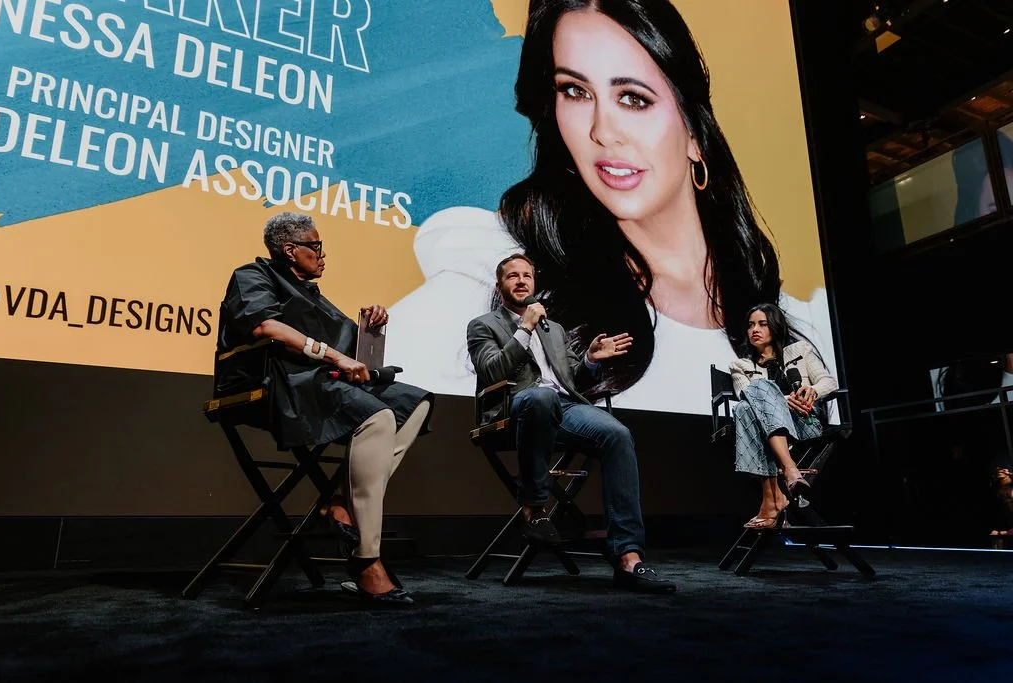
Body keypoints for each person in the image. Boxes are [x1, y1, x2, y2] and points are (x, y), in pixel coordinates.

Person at [387, 0, 835, 415]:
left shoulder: (802, 325)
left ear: (695, 136)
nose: (602, 131)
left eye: (634, 98)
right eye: (575, 91)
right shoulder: (494, 276)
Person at [217, 212, 433, 605]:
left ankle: (336, 500)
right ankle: (367, 560)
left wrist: (371, 327)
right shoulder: (253, 276)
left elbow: (359, 361)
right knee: (377, 416)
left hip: (322, 384)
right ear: (290, 250)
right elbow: (266, 327)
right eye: (315, 246)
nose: (322, 254)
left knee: (413, 402)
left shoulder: (318, 299)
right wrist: (334, 355)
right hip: (275, 381)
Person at [466, 253, 675, 593]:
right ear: (499, 285)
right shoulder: (484, 325)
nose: (521, 281)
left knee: (617, 434)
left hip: (562, 407)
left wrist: (591, 360)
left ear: (534, 283)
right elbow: (492, 371)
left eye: (527, 276)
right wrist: (525, 328)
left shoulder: (556, 330)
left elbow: (571, 380)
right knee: (541, 397)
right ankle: (535, 510)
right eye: (512, 276)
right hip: (513, 410)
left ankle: (628, 557)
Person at [728, 303, 839, 529]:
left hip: (804, 424)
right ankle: (790, 472)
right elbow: (744, 395)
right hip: (764, 429)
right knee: (748, 402)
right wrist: (780, 399)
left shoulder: (800, 350)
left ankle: (772, 499)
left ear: (775, 327)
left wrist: (813, 391)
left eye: (762, 324)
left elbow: (830, 381)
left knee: (750, 402)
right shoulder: (740, 365)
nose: (754, 330)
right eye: (750, 326)